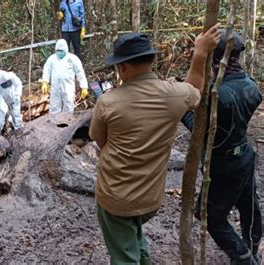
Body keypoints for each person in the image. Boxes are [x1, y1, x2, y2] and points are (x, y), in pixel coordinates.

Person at [89, 24, 221, 264]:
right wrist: (200, 54)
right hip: (150, 198)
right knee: (135, 238)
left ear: (123, 67)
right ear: (151, 60)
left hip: (115, 197)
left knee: (123, 256)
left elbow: (101, 141)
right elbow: (195, 89)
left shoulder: (108, 102)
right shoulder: (174, 96)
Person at [181, 30, 262, 265]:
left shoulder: (219, 96)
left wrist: (184, 110)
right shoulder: (251, 86)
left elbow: (198, 128)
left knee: (210, 217)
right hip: (244, 155)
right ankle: (252, 247)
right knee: (250, 205)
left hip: (222, 164)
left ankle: (245, 259)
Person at [40, 39, 88, 114]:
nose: (59, 52)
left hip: (68, 88)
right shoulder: (52, 59)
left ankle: (67, 124)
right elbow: (46, 70)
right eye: (58, 50)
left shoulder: (73, 59)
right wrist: (45, 82)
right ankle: (54, 124)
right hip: (55, 88)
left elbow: (80, 73)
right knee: (54, 107)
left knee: (68, 107)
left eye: (61, 50)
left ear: (66, 49)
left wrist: (84, 87)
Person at [0, 70, 23, 134]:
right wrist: (5, 110)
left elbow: (18, 84)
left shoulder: (11, 76)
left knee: (16, 113)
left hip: (13, 97)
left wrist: (17, 95)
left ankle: (18, 129)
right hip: (1, 102)